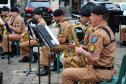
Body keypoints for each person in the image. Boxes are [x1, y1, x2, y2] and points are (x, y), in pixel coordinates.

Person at [61, 5, 116, 84]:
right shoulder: (108, 29)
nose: (90, 18)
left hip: (99, 72)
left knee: (65, 74)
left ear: (99, 17)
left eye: (92, 16)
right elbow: (99, 49)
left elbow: (94, 58)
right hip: (107, 70)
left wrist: (81, 51)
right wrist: (83, 47)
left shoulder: (98, 33)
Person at [37, 8, 71, 76]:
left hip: (66, 45)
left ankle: (46, 68)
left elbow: (63, 40)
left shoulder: (64, 24)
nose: (54, 18)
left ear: (61, 16)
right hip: (63, 44)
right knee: (48, 45)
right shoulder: (62, 23)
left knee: (46, 47)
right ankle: (57, 63)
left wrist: (53, 39)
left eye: (55, 17)